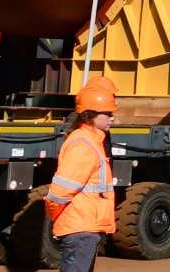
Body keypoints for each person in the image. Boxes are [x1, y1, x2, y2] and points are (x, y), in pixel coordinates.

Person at [47, 76, 119, 272]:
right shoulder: (83, 144)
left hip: (84, 227)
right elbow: (59, 193)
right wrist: (59, 217)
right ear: (90, 114)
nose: (112, 117)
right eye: (108, 113)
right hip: (80, 228)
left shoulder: (92, 141)